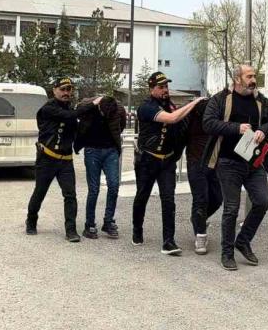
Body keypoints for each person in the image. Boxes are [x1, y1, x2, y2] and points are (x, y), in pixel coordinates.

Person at [202, 64, 268, 271]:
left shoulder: (260, 100)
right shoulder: (220, 99)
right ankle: (227, 253)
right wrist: (236, 128)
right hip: (228, 163)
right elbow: (208, 123)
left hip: (254, 163)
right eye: (249, 76)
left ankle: (243, 241)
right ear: (237, 79)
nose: (253, 80)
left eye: (254, 76)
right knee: (231, 209)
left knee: (262, 202)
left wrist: (264, 130)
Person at [132, 71, 204, 255]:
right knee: (142, 196)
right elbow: (172, 119)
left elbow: (180, 125)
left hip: (167, 161)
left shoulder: (170, 105)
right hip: (148, 160)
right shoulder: (146, 107)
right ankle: (137, 230)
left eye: (166, 86)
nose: (165, 90)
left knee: (169, 200)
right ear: (152, 89)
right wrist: (194, 102)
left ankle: (168, 242)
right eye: (161, 87)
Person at [26, 77, 93, 242]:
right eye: (62, 89)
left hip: (65, 160)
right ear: (54, 90)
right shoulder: (48, 108)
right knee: (40, 192)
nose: (66, 93)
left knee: (70, 195)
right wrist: (92, 104)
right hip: (47, 158)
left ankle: (71, 230)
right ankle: (31, 221)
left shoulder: (70, 109)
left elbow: (77, 130)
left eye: (69, 89)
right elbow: (68, 116)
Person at [74, 95, 127, 239]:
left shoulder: (118, 109)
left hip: (111, 151)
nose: (105, 116)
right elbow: (77, 112)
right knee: (94, 189)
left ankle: (108, 222)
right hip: (92, 151)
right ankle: (89, 224)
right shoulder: (88, 105)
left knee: (114, 185)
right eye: (103, 113)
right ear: (99, 107)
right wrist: (92, 104)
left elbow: (121, 125)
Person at [184, 98, 222, 254]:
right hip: (195, 162)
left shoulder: (216, 118)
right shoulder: (190, 119)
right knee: (201, 199)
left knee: (218, 198)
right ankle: (200, 235)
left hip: (214, 163)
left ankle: (197, 219)